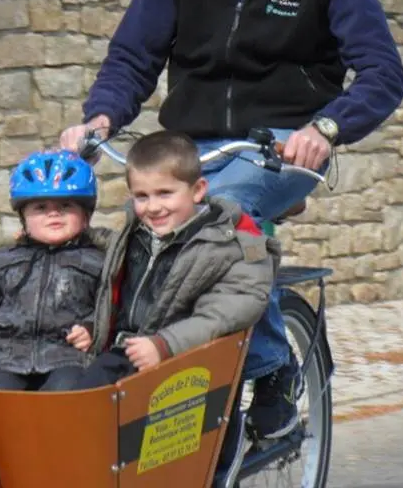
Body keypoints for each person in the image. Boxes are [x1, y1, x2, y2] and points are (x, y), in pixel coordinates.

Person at [59, 0, 403, 438]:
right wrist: (101, 116)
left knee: (220, 215)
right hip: (192, 142)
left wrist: (326, 128)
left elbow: (383, 72)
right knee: (141, 219)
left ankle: (271, 369)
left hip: (282, 145)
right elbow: (133, 55)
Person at [74, 131, 278, 389]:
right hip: (124, 350)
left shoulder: (230, 246)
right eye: (142, 196)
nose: (154, 207)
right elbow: (110, 244)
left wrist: (165, 344)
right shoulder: (138, 232)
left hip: (181, 362)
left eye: (165, 193)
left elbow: (223, 314)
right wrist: (66, 232)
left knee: (87, 398)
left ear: (198, 191)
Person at [0, 150, 103, 392]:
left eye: (66, 205)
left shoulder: (97, 261)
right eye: (41, 207)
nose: (53, 213)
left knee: (67, 391)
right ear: (24, 218)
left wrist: (92, 328)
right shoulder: (2, 260)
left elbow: (110, 304)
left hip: (67, 355)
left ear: (86, 216)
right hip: (7, 355)